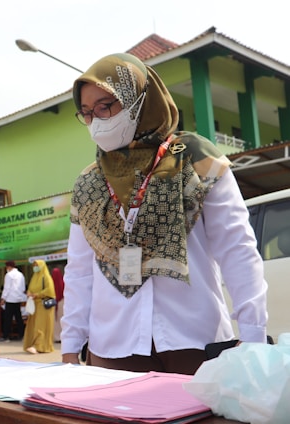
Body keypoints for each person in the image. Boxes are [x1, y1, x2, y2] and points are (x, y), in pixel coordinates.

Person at [61, 53, 268, 375]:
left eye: (106, 106)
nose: (97, 120)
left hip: (193, 340)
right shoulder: (89, 182)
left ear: (141, 99)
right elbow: (79, 271)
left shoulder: (196, 160)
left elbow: (236, 248)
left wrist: (253, 336)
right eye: (87, 113)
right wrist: (71, 347)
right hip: (112, 346)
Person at [23, 260, 56, 354]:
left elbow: (50, 290)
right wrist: (29, 293)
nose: (35, 267)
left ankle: (39, 346)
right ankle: (33, 344)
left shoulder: (46, 277)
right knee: (33, 325)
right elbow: (30, 288)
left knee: (40, 326)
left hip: (43, 304)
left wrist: (37, 294)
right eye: (34, 265)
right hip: (35, 305)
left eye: (37, 265)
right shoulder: (34, 277)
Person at [0, 260, 27, 341]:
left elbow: (7, 288)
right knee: (19, 318)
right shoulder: (21, 275)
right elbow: (23, 288)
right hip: (18, 299)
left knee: (8, 318)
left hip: (10, 299)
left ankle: (6, 336)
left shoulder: (8, 275)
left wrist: (3, 298)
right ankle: (22, 335)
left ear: (8, 267)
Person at [51, 266, 65, 343]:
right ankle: (62, 336)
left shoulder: (51, 282)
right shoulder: (63, 282)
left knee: (55, 321)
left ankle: (57, 337)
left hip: (55, 302)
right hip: (62, 302)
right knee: (61, 319)